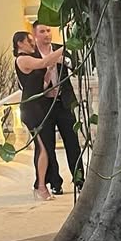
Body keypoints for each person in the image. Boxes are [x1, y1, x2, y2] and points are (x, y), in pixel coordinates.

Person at [32, 22, 85, 193]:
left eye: (48, 30)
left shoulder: (60, 49)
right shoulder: (32, 55)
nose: (46, 34)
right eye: (42, 31)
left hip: (64, 102)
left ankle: (79, 179)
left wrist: (65, 61)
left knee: (72, 142)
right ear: (35, 35)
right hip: (44, 105)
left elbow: (77, 67)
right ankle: (55, 183)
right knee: (48, 145)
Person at [13, 29, 61, 201]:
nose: (33, 44)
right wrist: (64, 48)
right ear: (20, 43)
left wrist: (49, 72)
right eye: (30, 41)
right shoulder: (22, 59)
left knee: (46, 147)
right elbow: (44, 62)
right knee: (42, 148)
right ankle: (40, 187)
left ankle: (41, 185)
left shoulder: (30, 59)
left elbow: (42, 83)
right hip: (31, 108)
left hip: (39, 106)